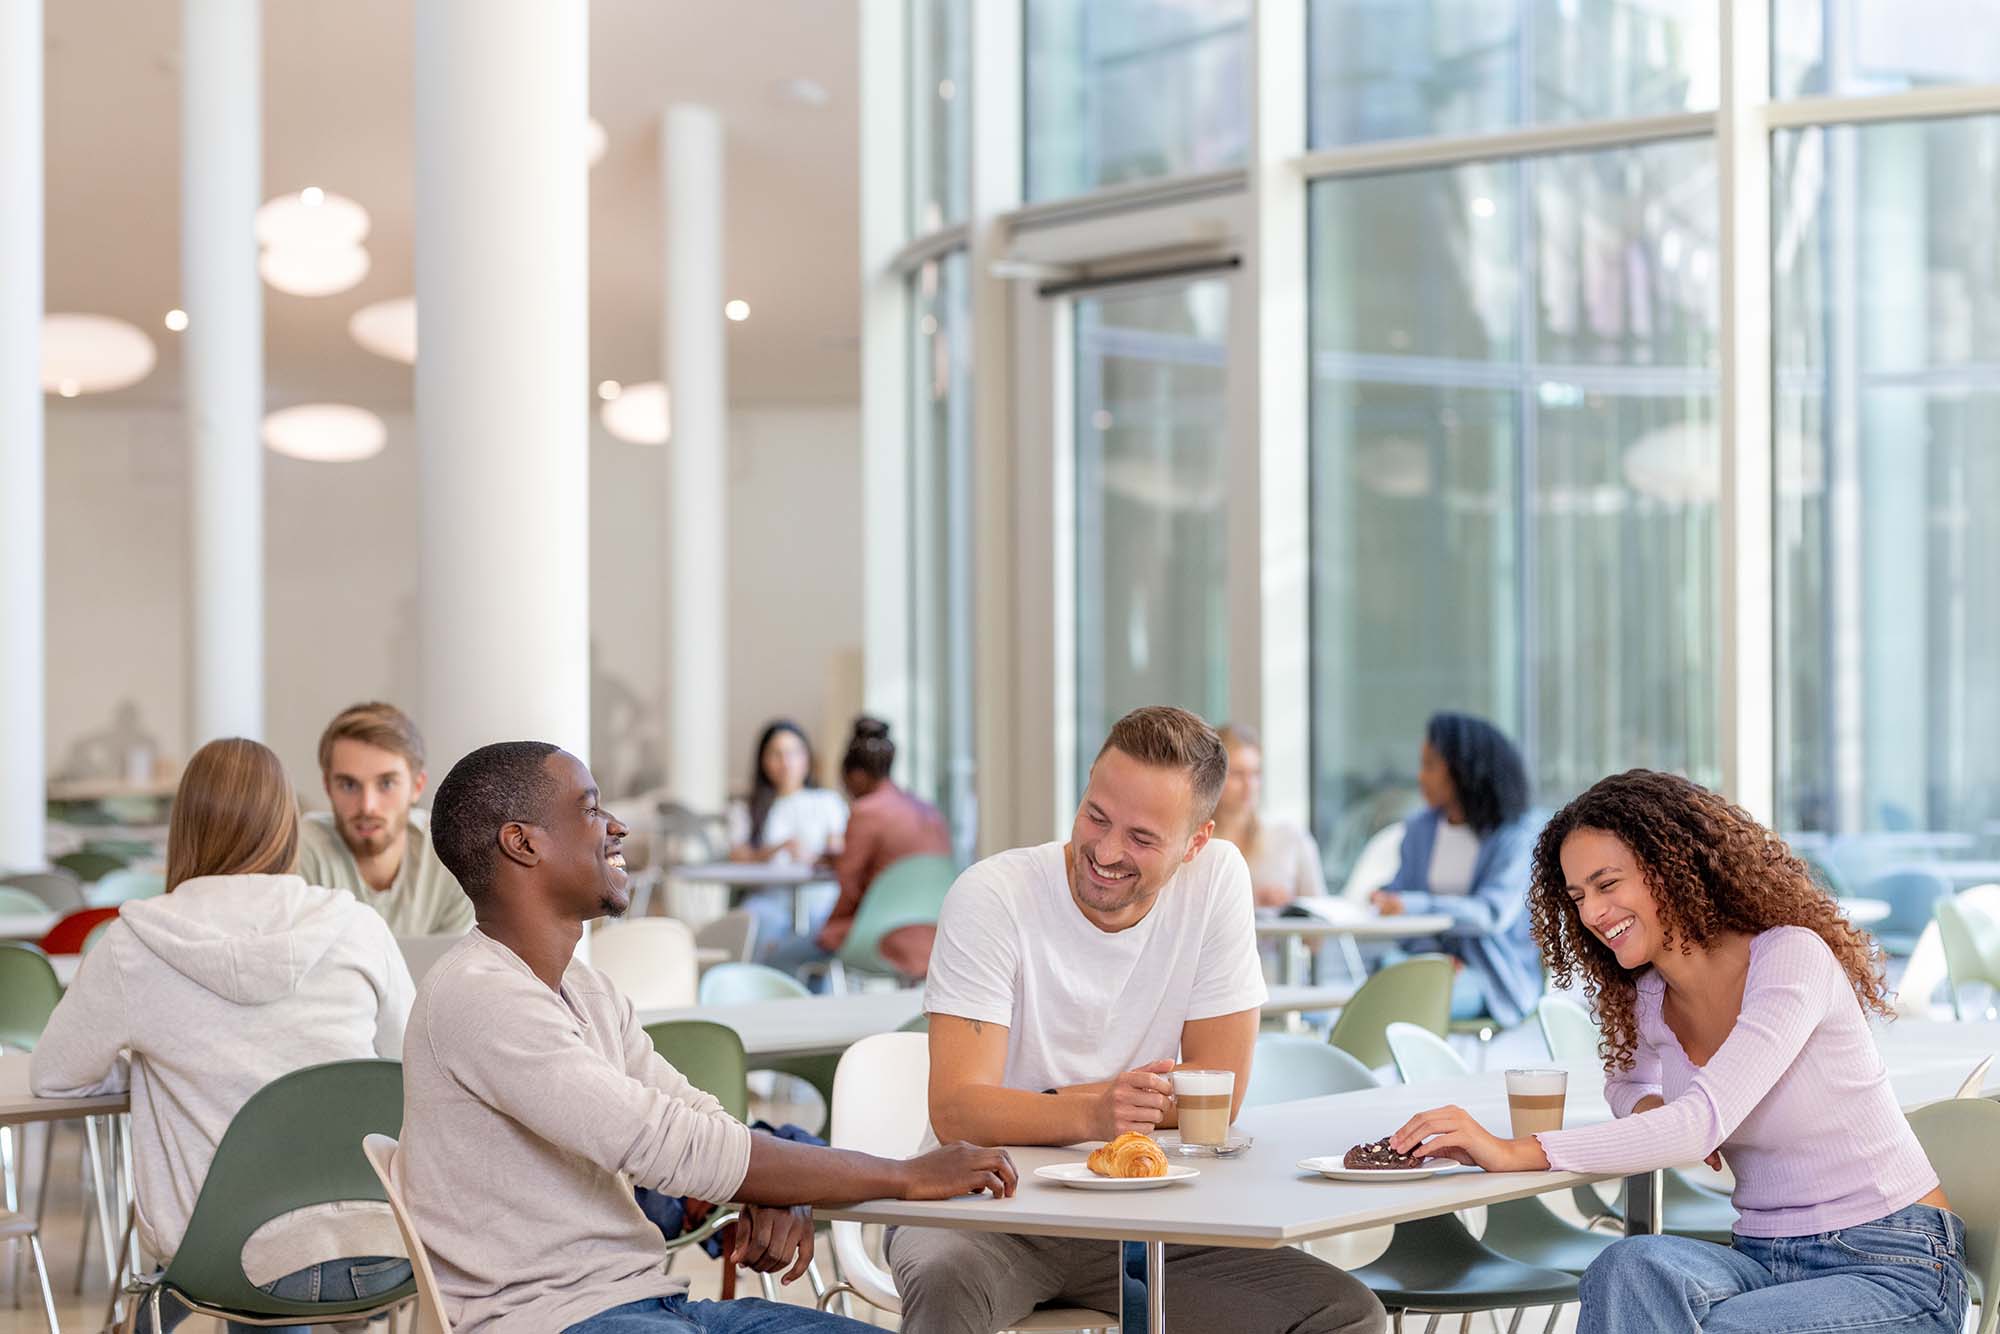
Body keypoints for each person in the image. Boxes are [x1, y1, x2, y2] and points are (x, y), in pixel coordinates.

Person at [404, 741, 1019, 1334]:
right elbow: (663, 1144)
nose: (614, 826)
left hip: (653, 1304)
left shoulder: (587, 989)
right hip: (554, 1322)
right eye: (590, 809)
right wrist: (906, 1175)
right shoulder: (479, 996)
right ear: (522, 843)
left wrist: (779, 1186)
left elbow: (696, 1118)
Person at [1388, 770, 1969, 1334]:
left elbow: (1697, 1127)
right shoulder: (1648, 997)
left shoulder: (1792, 958)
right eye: (1578, 895)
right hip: (1763, 1258)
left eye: (1608, 884)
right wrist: (1650, 1115)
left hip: (1892, 1262)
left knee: (1722, 1328)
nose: (1591, 913)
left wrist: (1514, 1151)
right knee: (1627, 1270)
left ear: (1672, 867)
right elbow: (1626, 1086)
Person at [891, 706, 1386, 1334]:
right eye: (1096, 816)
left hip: (1149, 1218)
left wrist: (1047, 1104)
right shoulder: (992, 895)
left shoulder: (1216, 879)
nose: (1104, 850)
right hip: (987, 1211)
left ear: (1194, 844)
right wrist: (1094, 1113)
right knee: (943, 1279)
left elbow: (1217, 1090)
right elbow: (959, 1111)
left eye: (1142, 838)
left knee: (1345, 1315)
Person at [31, 738, 415, 1333]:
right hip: (384, 1248)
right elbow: (408, 1068)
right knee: (287, 1246)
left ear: (184, 829)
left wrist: (148, 1066)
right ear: (287, 825)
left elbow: (54, 1074)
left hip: (231, 1264)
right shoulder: (359, 927)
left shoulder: (134, 945)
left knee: (253, 1252)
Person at [1369, 712, 1541, 1024]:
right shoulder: (1420, 829)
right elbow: (1402, 894)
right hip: (1429, 964)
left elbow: (1492, 914)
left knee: (1406, 1001)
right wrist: (1387, 901)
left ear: (1464, 770)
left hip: (1490, 977)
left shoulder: (1515, 836)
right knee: (1377, 984)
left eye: (1431, 766)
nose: (1421, 777)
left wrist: (1411, 905)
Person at [767, 717, 950, 983]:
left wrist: (828, 933)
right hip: (933, 937)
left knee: (781, 958)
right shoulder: (928, 811)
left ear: (856, 776)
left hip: (879, 938)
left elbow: (848, 891)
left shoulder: (867, 812)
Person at [296, 701, 474, 937]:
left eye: (386, 783)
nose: (367, 806)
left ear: (417, 786)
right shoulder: (299, 850)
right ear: (328, 787)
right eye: (349, 785)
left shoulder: (451, 855)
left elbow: (452, 968)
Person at [727, 719, 848, 958]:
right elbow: (737, 856)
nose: (786, 763)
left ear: (807, 758)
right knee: (753, 928)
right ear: (763, 761)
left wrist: (811, 857)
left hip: (819, 902)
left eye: (793, 753)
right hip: (771, 900)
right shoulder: (748, 808)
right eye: (777, 754)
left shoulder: (827, 802)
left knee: (817, 936)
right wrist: (776, 849)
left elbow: (838, 851)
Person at [1212, 723, 1326, 908]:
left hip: (1277, 937)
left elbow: (1319, 917)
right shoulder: (1194, 843)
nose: (1250, 785)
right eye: (1237, 774)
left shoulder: (1289, 837)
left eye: (1256, 774)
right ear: (1212, 776)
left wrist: (1290, 908)